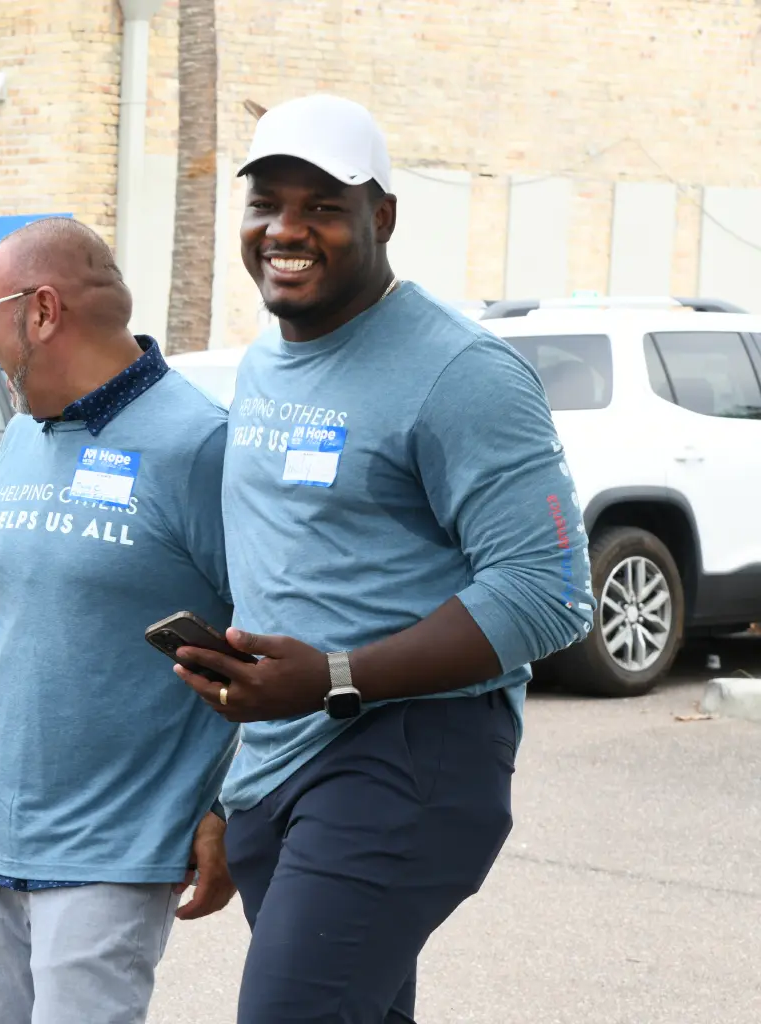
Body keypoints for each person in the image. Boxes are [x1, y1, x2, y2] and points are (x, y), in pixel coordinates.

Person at [171, 94, 593, 1024]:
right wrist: (224, 786)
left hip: (407, 757)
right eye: (266, 203)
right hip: (280, 766)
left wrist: (333, 679)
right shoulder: (260, 366)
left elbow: (551, 591)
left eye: (322, 205)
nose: (286, 229)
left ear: (383, 218)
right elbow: (283, 580)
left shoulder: (462, 372)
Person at [0, 218, 240, 1024]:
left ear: (40, 311)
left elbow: (276, 636)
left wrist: (232, 805)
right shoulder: (25, 436)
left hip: (119, 853)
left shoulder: (200, 445)